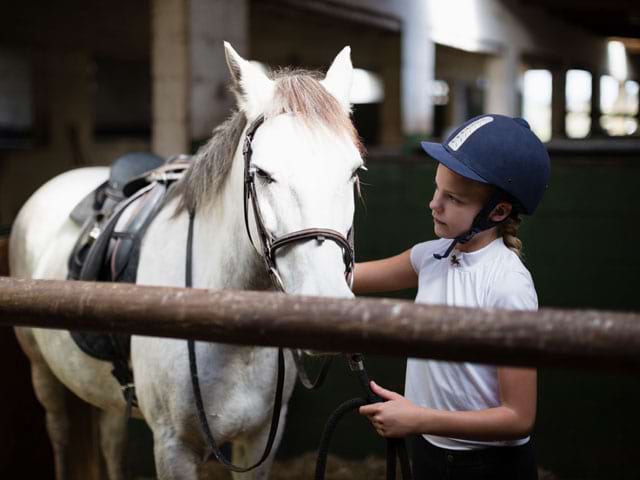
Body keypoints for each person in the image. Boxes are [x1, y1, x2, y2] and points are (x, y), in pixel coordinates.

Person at [355, 114, 550, 480]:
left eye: (453, 199)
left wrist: (418, 418)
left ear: (498, 211)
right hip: (428, 452)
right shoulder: (431, 256)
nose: (434, 205)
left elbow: (518, 418)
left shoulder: (507, 284)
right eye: (436, 190)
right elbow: (345, 279)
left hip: (487, 467)